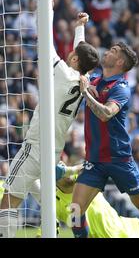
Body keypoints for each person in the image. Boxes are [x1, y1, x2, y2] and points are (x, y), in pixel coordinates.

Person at [0, 13, 99, 238]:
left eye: (73, 54)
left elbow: (44, 41)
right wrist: (79, 28)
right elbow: (82, 54)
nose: (70, 54)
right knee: (36, 183)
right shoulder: (85, 80)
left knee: (9, 199)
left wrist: (48, 10)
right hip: (53, 149)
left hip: (36, 145)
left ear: (74, 60)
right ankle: (51, 223)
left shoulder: (62, 72)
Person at [72, 42, 139, 238]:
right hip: (95, 159)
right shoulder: (93, 79)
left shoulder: (121, 88)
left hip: (119, 158)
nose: (107, 52)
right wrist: (82, 77)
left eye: (113, 51)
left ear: (119, 62)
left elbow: (105, 114)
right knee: (76, 210)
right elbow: (76, 67)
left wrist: (85, 92)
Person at [52, 162, 139, 238]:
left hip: (127, 228)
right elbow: (46, 229)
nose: (66, 170)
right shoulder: (54, 202)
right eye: (61, 169)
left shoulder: (84, 179)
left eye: (65, 165)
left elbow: (94, 163)